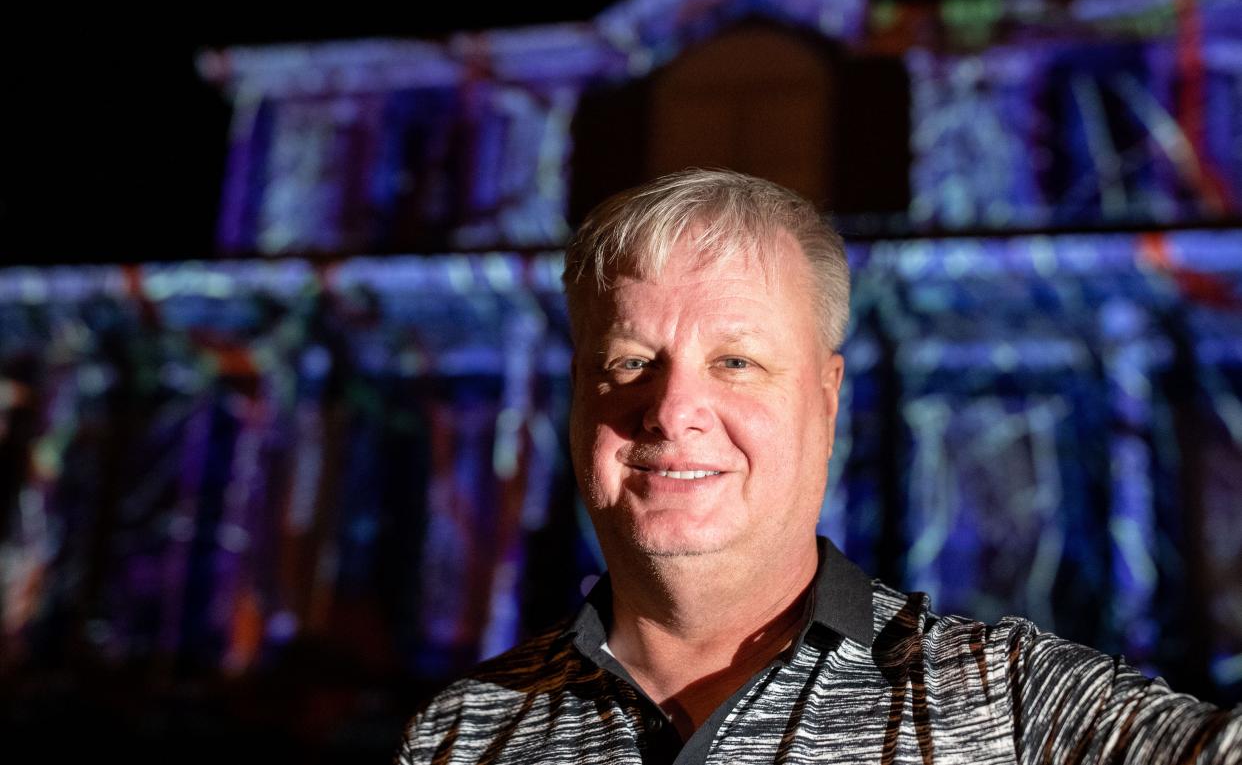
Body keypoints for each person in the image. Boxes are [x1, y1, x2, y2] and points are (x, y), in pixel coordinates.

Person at [397, 169, 1240, 764]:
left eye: (736, 362)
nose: (670, 409)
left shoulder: (1010, 707)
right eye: (627, 362)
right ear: (578, 397)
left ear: (827, 399)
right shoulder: (461, 735)